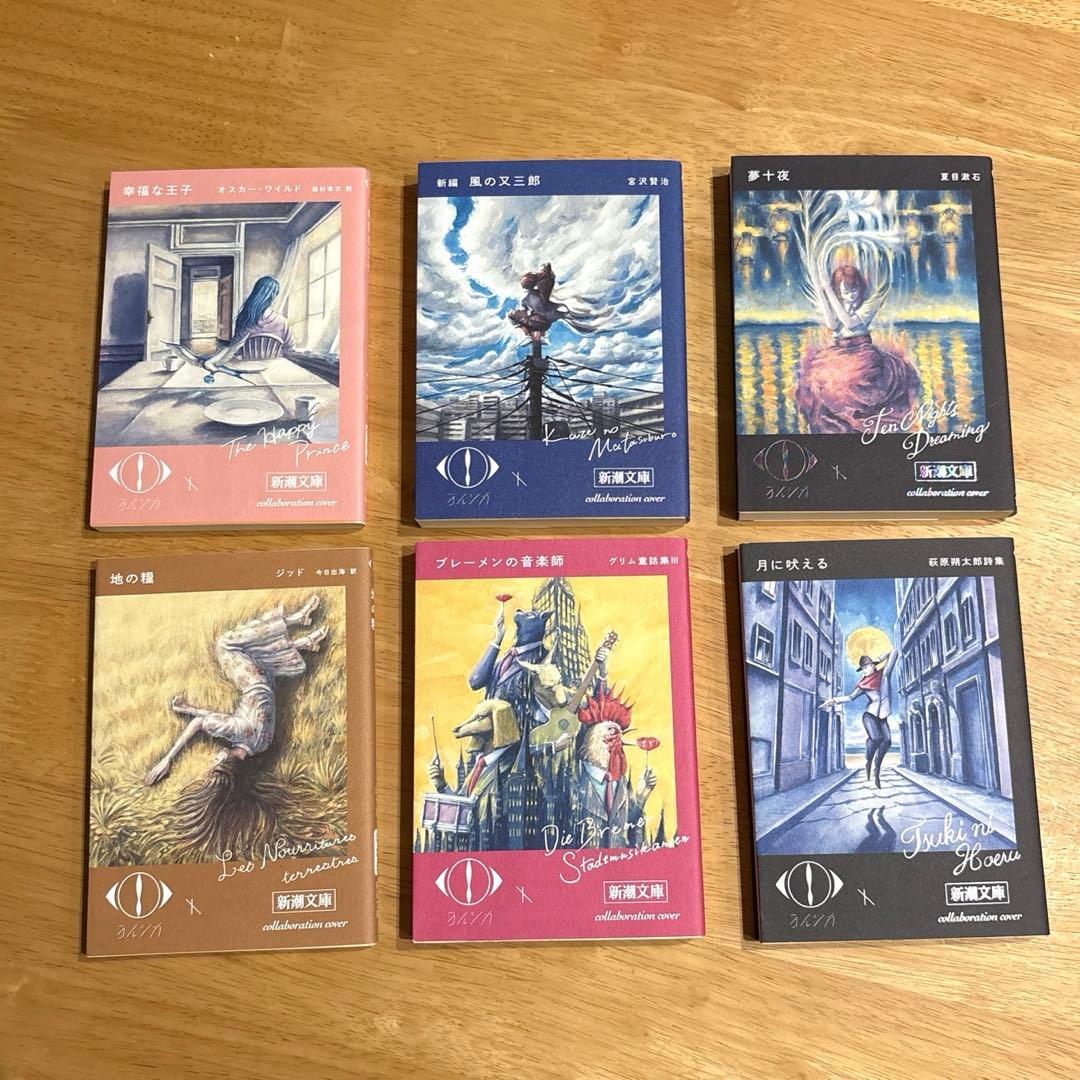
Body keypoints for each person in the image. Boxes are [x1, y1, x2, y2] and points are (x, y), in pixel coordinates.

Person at [822, 649, 898, 788]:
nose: (864, 670)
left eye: (866, 667)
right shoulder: (864, 684)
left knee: (887, 741)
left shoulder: (885, 675)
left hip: (882, 717)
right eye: (862, 668)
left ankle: (876, 769)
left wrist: (878, 659)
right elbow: (850, 697)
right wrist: (833, 700)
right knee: (876, 738)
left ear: (873, 665)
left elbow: (894, 652)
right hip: (869, 716)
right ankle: (868, 759)